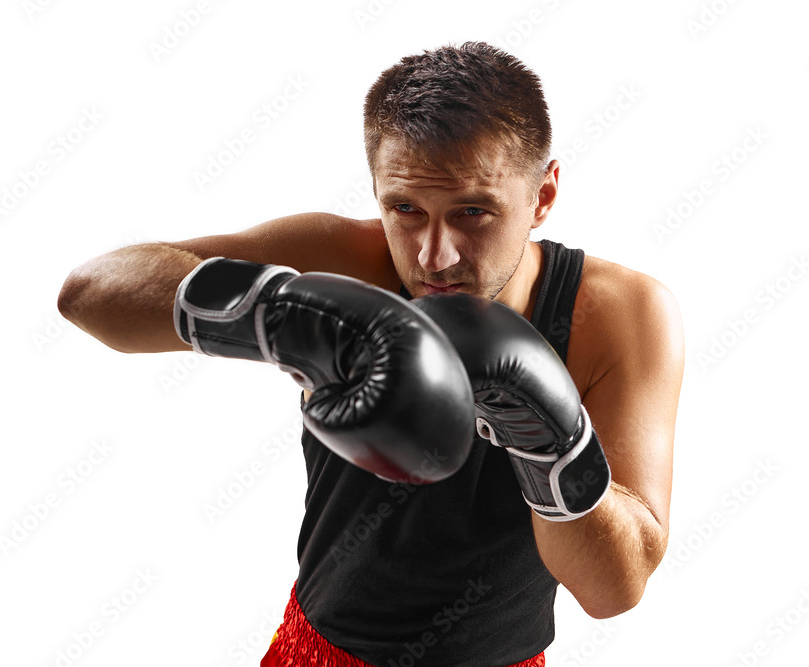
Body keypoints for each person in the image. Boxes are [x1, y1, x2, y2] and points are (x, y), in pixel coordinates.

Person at [57, 41, 684, 667]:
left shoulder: (620, 316)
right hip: (316, 651)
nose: (435, 255)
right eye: (405, 209)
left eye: (473, 212)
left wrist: (551, 440)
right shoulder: (344, 264)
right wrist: (282, 312)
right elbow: (90, 292)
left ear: (542, 196)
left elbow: (614, 590)